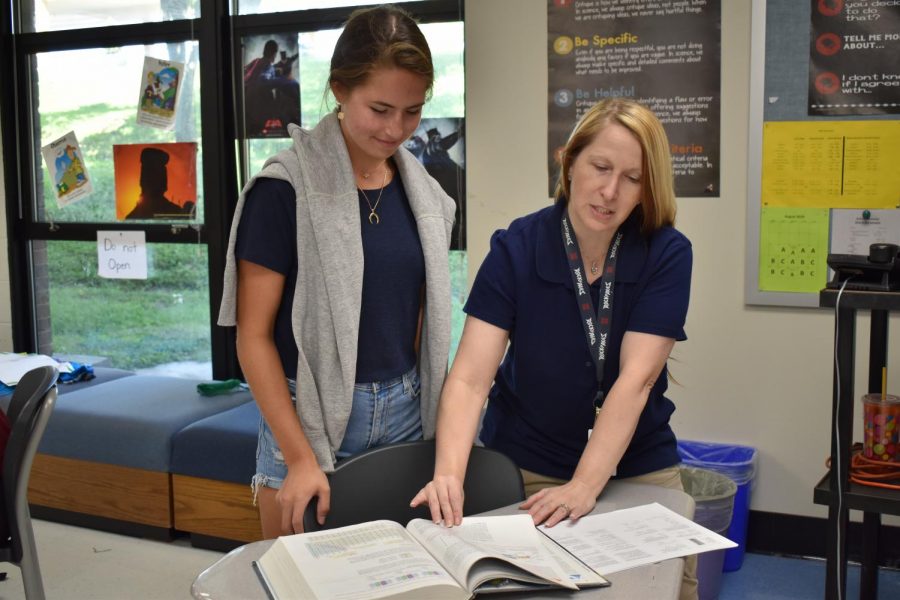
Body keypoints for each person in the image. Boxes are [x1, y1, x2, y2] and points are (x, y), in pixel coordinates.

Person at [411, 98, 697, 599]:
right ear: (569, 162)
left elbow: (636, 381)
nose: (610, 191)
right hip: (528, 461)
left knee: (661, 587)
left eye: (632, 178)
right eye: (600, 167)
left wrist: (586, 484)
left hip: (637, 462)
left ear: (648, 188)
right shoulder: (517, 247)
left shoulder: (666, 253)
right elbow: (471, 378)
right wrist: (450, 475)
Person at [218, 4, 456, 539]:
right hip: (307, 416)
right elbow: (253, 338)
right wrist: (300, 459)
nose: (397, 129)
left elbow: (414, 316)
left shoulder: (425, 195)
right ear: (339, 90)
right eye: (380, 108)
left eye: (413, 111)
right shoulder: (283, 191)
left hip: (406, 413)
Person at [125, 147, 192, 219]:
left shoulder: (176, 212)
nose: (154, 178)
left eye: (158, 173)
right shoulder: (176, 212)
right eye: (151, 172)